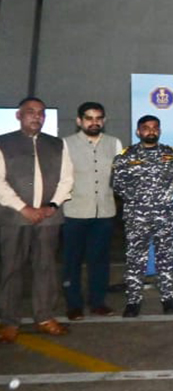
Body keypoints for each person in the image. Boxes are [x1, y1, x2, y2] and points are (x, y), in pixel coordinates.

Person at [0, 97, 74, 341]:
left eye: (41, 113)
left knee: (46, 269)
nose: (37, 116)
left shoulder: (57, 145)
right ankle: (9, 322)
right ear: (19, 116)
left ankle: (44, 317)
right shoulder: (4, 143)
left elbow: (67, 180)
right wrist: (24, 208)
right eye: (30, 112)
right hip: (14, 218)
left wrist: (52, 206)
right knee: (11, 269)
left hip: (49, 219)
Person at [112, 115, 173, 318]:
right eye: (146, 128)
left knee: (167, 259)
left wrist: (159, 199)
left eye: (154, 128)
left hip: (165, 216)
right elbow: (118, 184)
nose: (150, 131)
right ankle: (133, 301)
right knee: (135, 259)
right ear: (138, 132)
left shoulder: (171, 155)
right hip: (137, 217)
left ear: (159, 131)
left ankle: (168, 298)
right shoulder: (126, 156)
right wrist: (139, 200)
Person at [61, 102, 121, 321]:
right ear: (79, 121)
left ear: (103, 121)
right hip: (75, 211)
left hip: (104, 212)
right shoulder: (66, 144)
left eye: (98, 118)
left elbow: (119, 177)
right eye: (89, 118)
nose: (94, 122)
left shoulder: (114, 143)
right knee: (72, 261)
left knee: (100, 260)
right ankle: (74, 304)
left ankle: (98, 302)